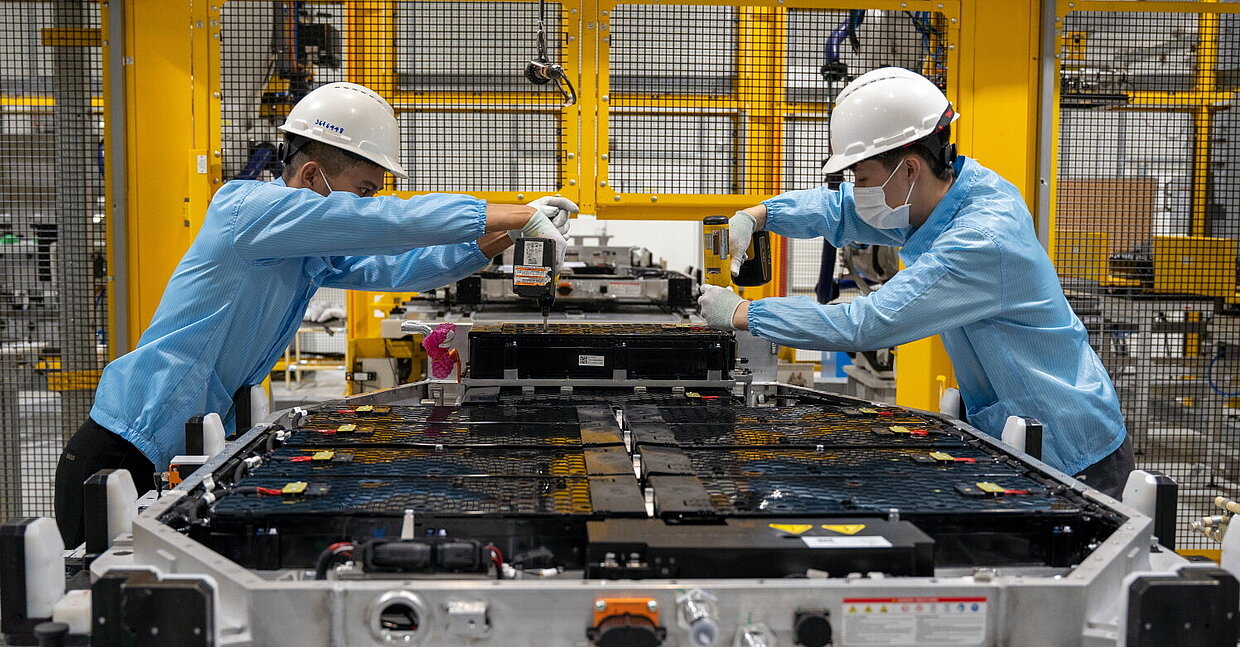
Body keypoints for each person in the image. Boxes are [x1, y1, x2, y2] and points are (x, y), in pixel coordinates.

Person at [54, 82, 578, 546]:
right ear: (310, 173)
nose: (369, 203)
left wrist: (505, 234)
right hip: (120, 456)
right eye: (364, 190)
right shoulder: (247, 210)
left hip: (188, 448)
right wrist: (516, 212)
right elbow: (388, 222)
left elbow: (398, 269)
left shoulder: (303, 249)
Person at [697, 67, 1134, 497]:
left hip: (1072, 451)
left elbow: (866, 324)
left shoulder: (979, 239)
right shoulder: (944, 196)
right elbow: (842, 210)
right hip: (1019, 429)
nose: (858, 190)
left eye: (864, 179)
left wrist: (742, 313)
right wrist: (760, 216)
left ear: (908, 168)